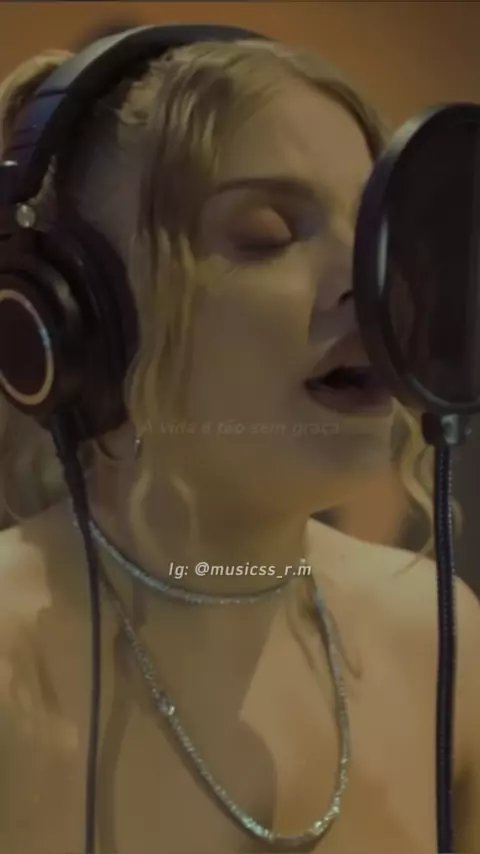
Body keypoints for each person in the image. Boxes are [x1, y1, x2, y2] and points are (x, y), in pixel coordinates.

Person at [0, 32, 478, 854]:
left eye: (372, 229)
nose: (368, 281)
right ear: (82, 320)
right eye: (266, 234)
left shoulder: (441, 641)